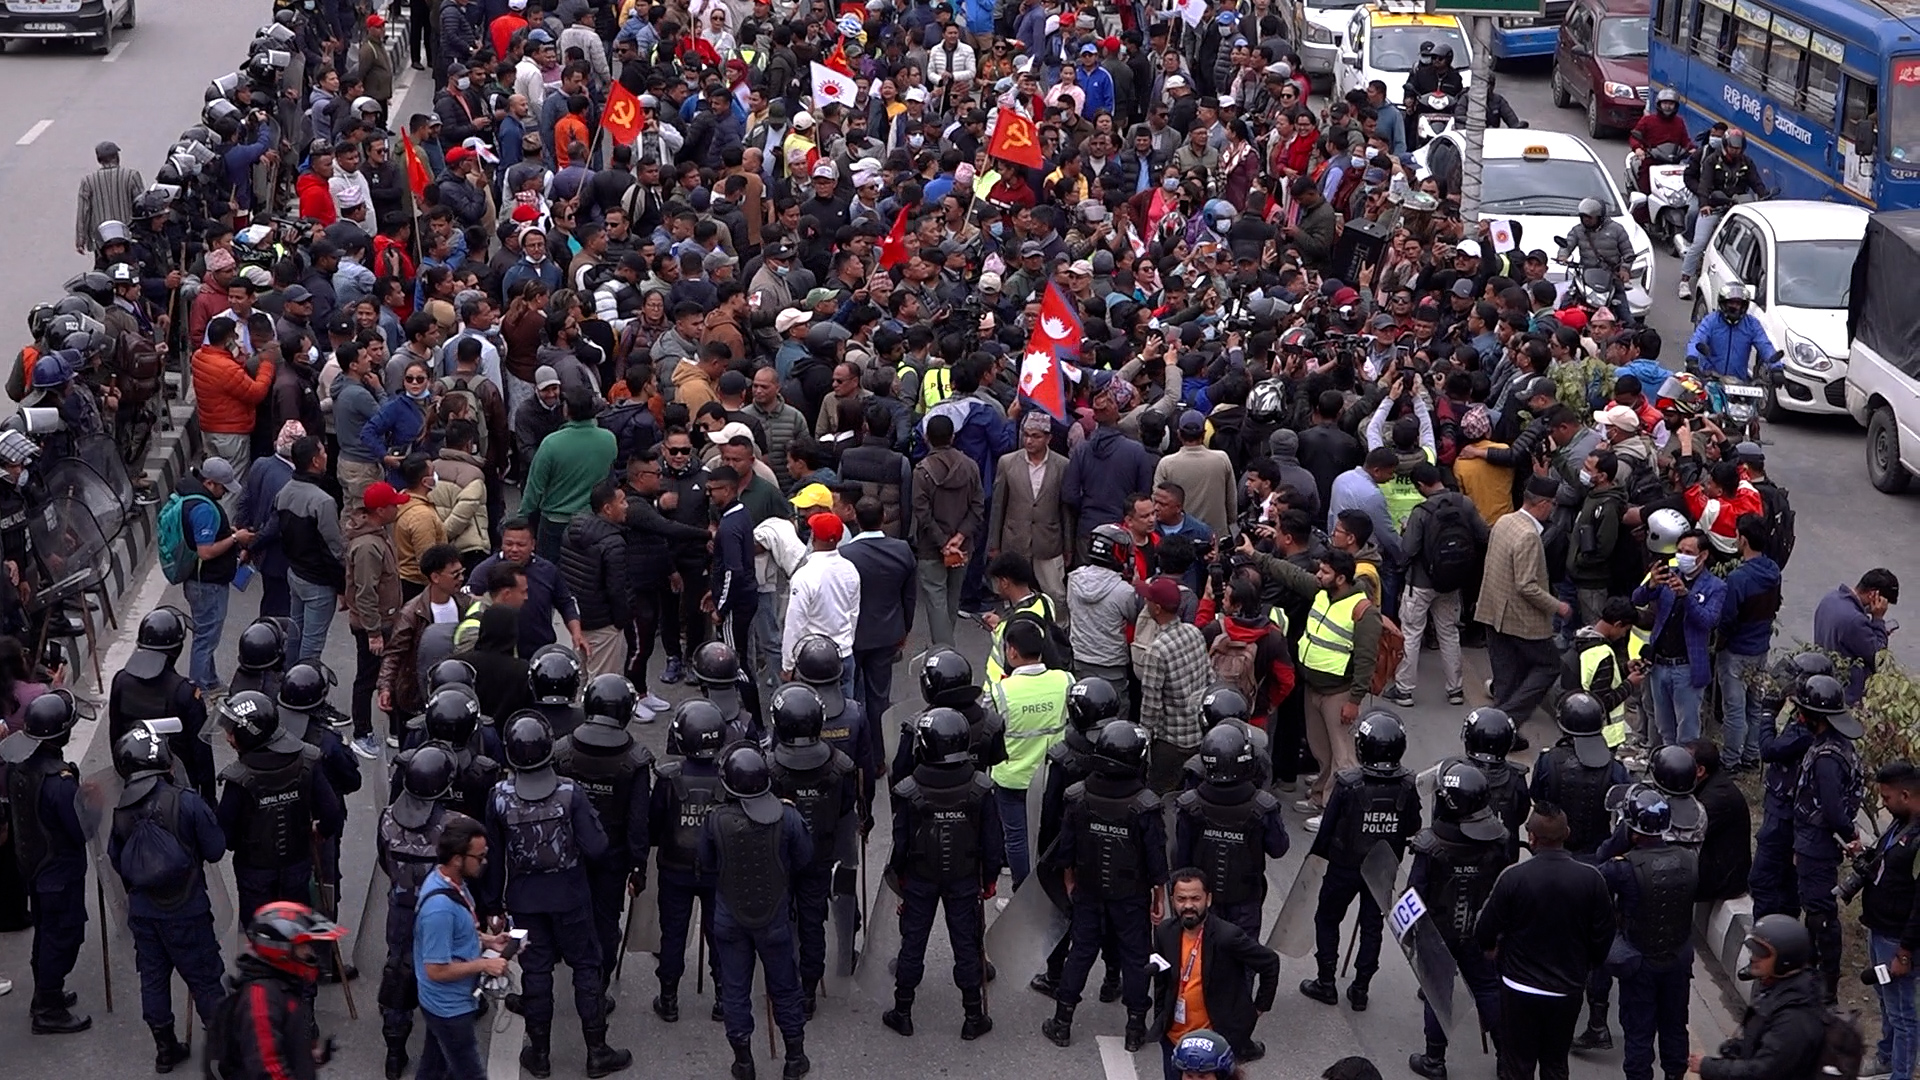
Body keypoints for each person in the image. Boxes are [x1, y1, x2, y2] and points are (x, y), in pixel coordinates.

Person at [482, 712, 630, 1076]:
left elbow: (493, 857)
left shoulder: (499, 798)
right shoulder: (569, 792)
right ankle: (597, 1051)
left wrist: (492, 905)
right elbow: (596, 847)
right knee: (586, 967)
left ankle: (541, 1053)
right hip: (571, 897)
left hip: (523, 902)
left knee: (535, 973)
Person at [106, 722, 227, 1071]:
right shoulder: (186, 802)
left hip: (144, 914)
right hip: (187, 909)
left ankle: (164, 1049)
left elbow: (117, 861)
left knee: (153, 979)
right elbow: (216, 849)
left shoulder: (122, 812)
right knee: (205, 979)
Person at [1042, 719, 1168, 1052]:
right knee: (1136, 956)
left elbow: (1065, 847)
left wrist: (1069, 879)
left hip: (1088, 889)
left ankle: (1062, 1023)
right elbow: (1156, 858)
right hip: (1131, 896)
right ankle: (1135, 1029)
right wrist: (1159, 894)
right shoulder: (1146, 804)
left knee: (1080, 953)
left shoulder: (1078, 796)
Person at [883, 705, 1002, 1041]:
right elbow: (993, 840)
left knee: (912, 943)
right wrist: (990, 878)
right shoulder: (981, 787)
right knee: (967, 944)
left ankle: (902, 1011)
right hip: (965, 877)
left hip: (919, 878)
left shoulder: (908, 789)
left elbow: (900, 843)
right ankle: (973, 1016)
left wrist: (901, 880)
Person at [1473, 804, 1615, 1080]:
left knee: (1516, 1066)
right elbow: (1605, 935)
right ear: (1567, 833)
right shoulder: (1591, 879)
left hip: (1518, 988)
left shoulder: (1513, 878)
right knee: (1555, 1063)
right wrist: (1585, 965)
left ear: (1533, 838)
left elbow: (1485, 928)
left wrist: (1491, 950)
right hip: (1566, 991)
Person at [700, 743, 815, 1080]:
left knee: (735, 989)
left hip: (728, 918)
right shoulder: (788, 816)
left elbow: (706, 864)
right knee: (785, 987)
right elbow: (805, 858)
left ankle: (743, 1062)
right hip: (774, 917)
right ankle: (794, 1057)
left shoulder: (714, 820)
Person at [1300, 711, 1419, 1013]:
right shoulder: (1407, 783)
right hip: (1383, 867)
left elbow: (1327, 828)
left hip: (1344, 866)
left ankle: (1325, 982)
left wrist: (1316, 857)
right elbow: (1413, 825)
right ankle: (1361, 989)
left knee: (1327, 919)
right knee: (1372, 926)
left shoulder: (1348, 783)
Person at [552, 675, 655, 1010]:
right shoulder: (634, 760)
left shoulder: (564, 751)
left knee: (565, 912)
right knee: (606, 921)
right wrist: (639, 866)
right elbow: (639, 821)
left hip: (567, 852)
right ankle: (597, 985)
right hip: (613, 857)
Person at [1406, 761, 1512, 1080]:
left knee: (1439, 992)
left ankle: (1434, 1060)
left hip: (1439, 932)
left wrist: (1412, 934)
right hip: (1481, 931)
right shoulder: (1496, 842)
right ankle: (1506, 1056)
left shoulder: (1430, 846)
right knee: (1487, 988)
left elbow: (1414, 893)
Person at [765, 684, 860, 1018]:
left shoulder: (771, 767)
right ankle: (807, 991)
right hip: (821, 856)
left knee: (781, 921)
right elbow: (847, 809)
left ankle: (784, 984)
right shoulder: (841, 765)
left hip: (781, 858)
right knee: (812, 923)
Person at [216, 690, 346, 930]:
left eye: (231, 731)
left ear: (248, 734)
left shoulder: (238, 779)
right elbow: (331, 812)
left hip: (254, 873)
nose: (228, 738)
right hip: (297, 864)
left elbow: (226, 836)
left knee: (259, 932)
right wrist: (321, 830)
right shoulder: (307, 759)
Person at [1, 690, 91, 1032]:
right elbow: (80, 828)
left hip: (34, 864)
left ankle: (45, 994)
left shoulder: (19, 767)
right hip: (60, 870)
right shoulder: (59, 782)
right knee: (64, 936)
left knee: (46, 933)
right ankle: (48, 1008)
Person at [1600, 789, 1699, 1080]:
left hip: (1640, 959)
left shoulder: (1623, 868)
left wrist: (1620, 837)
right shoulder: (1690, 858)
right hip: (1678, 956)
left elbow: (1598, 869)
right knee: (1675, 1024)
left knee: (1639, 1030)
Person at [375, 744, 458, 1078]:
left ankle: (394, 1055)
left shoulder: (387, 820)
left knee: (398, 975)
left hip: (401, 912)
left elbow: (385, 862)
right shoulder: (455, 826)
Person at [1150, 867, 1281, 1071]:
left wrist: (1258, 1008)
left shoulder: (1227, 936)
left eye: (1195, 898)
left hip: (1214, 1044)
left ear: (1208, 899)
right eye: (1181, 899)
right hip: (1174, 1041)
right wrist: (1160, 1016)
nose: (1188, 906)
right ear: (1172, 900)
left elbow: (1269, 962)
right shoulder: (1165, 932)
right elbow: (1162, 980)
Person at [413, 813, 513, 1080]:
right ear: (457, 859)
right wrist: (485, 964)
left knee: (433, 1070)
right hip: (449, 1007)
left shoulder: (451, 885)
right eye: (479, 857)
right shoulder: (439, 909)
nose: (484, 862)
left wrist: (488, 940)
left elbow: (457, 933)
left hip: (441, 1004)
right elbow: (435, 969)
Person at [1172, 722, 1289, 940]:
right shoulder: (1263, 806)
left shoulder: (1189, 805)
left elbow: (1181, 860)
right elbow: (1279, 848)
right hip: (1245, 900)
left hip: (1202, 900)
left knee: (1202, 956)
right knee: (1243, 957)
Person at [650, 700, 729, 1023]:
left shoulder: (669, 778)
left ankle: (668, 998)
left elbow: (654, 824)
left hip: (675, 869)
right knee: (720, 934)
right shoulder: (728, 776)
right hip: (716, 870)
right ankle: (723, 997)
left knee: (673, 935)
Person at [1790, 673, 1866, 1004]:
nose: (1797, 717)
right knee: (1814, 910)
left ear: (1816, 718)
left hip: (1817, 845)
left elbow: (1834, 811)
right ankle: (1813, 974)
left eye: (1802, 712)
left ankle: (1827, 989)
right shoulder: (1834, 746)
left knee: (1821, 915)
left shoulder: (1826, 759)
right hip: (1812, 841)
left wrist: (1850, 835)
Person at [1476, 477, 1569, 740]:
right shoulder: (1529, 535)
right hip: (1521, 619)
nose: (1553, 509)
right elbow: (1527, 585)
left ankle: (1500, 733)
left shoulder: (1506, 521)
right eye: (1552, 504)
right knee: (1549, 665)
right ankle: (1507, 721)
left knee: (1505, 676)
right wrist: (1557, 606)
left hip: (1493, 611)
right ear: (1542, 504)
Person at [1387, 463, 1486, 708]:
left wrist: (1404, 531)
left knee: (1411, 633)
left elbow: (1408, 549)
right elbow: (1483, 535)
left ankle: (1405, 690)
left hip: (1420, 583)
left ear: (1421, 486)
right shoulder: (1464, 503)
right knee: (1449, 633)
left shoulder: (1421, 512)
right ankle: (1455, 690)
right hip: (1452, 582)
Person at [214, 902, 346, 1079]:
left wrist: (310, 1058)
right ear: (281, 950)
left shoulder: (285, 984)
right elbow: (267, 1069)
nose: (309, 952)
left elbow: (282, 1042)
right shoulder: (260, 998)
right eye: (302, 947)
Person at [984, 619, 1070, 888]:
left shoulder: (1000, 692)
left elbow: (987, 731)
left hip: (1012, 778)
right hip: (1050, 777)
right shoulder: (1065, 680)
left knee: (1017, 838)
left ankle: (1022, 894)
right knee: (1050, 835)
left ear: (1011, 651)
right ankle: (1048, 890)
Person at [1692, 915, 1827, 1080]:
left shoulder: (1794, 1018)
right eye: (1753, 949)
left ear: (1785, 960)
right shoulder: (1776, 988)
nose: (1753, 957)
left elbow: (1762, 1072)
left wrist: (1709, 1067)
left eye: (1762, 952)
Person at [109, 606, 216, 803]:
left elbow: (116, 737)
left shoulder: (120, 681)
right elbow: (201, 751)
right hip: (177, 790)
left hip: (133, 783)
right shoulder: (185, 692)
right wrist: (209, 798)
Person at [1632, 528, 1724, 745]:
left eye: (1688, 552)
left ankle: (1684, 773)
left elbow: (1708, 621)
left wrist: (1686, 596)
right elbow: (1636, 598)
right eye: (1679, 550)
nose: (1682, 556)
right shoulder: (1669, 575)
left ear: (1703, 556)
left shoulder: (1715, 587)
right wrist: (1651, 584)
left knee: (1687, 732)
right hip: (1659, 665)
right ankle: (1664, 768)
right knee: (1664, 727)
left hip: (1686, 669)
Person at [173, 456, 257, 693]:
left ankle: (209, 680)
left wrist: (224, 532)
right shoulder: (203, 508)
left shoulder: (191, 496)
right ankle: (198, 691)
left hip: (201, 582)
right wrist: (234, 538)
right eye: (222, 487)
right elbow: (206, 551)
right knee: (206, 639)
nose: (225, 493)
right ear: (209, 483)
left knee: (206, 634)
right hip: (207, 584)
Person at [840, 497, 917, 746]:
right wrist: (904, 628)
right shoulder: (902, 550)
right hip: (887, 634)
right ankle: (879, 754)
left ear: (856, 519)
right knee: (879, 697)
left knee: (851, 696)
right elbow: (909, 595)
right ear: (884, 517)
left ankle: (856, 751)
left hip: (853, 636)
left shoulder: (846, 554)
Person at [1861, 761, 1920, 1080]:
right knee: (1887, 1004)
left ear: (1906, 794)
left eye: (1886, 797)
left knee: (1904, 1016)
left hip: (1898, 941)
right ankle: (1886, 1056)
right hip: (1880, 931)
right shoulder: (1901, 823)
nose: (1883, 803)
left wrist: (1905, 952)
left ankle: (1901, 1074)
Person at [271, 435, 347, 666]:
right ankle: (303, 689)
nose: (326, 456)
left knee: (295, 634)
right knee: (312, 645)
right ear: (315, 461)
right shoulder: (322, 502)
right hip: (318, 583)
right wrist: (343, 587)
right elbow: (334, 550)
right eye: (323, 452)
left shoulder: (284, 492)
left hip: (295, 573)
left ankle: (287, 676)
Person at [345, 481, 408, 757]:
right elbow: (365, 591)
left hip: (385, 621)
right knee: (368, 679)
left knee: (391, 674)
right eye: (394, 504)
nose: (398, 507)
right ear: (381, 510)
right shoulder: (368, 546)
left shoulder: (379, 533)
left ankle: (395, 729)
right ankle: (361, 733)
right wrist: (373, 632)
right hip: (375, 625)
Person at [990, 411, 1074, 617]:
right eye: (1026, 435)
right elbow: (998, 505)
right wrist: (994, 544)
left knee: (1056, 594)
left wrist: (1068, 545)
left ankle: (1057, 633)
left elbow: (1065, 509)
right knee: (1013, 595)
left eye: (1035, 436)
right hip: (1015, 539)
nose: (1029, 440)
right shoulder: (1007, 462)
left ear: (1048, 438)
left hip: (1049, 541)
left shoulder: (1062, 465)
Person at [913, 412, 985, 648]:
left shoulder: (922, 471)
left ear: (926, 438)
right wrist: (959, 537)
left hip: (931, 548)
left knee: (936, 600)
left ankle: (943, 650)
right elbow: (978, 506)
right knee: (952, 599)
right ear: (953, 437)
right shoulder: (971, 466)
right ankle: (945, 646)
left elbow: (922, 513)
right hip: (963, 547)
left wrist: (943, 542)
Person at [523, 386, 619, 561]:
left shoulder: (551, 443)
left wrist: (522, 518)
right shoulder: (608, 439)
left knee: (550, 573)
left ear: (567, 410)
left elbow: (534, 487)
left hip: (555, 521)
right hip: (591, 520)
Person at [1138, 575, 1212, 793]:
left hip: (1170, 743)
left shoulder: (1156, 650)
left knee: (1162, 798)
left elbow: (1151, 708)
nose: (1145, 603)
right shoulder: (1194, 632)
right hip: (1198, 735)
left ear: (1157, 608)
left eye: (1148, 600)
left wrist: (1144, 740)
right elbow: (1209, 678)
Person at [560, 479, 633, 679]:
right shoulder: (613, 543)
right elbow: (617, 589)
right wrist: (621, 621)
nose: (627, 506)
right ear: (608, 508)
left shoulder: (571, 530)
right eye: (623, 501)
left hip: (576, 619)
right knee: (603, 684)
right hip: (603, 624)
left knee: (580, 679)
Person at [781, 513, 861, 692]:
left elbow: (795, 623)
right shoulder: (850, 570)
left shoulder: (804, 576)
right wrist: (847, 643)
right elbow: (853, 614)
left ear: (813, 537)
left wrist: (788, 664)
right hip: (845, 654)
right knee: (846, 710)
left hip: (814, 660)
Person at [1814, 567, 1899, 704]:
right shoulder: (1855, 621)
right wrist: (1878, 619)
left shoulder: (1830, 599)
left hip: (1825, 680)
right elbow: (1879, 658)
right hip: (1847, 694)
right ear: (1873, 595)